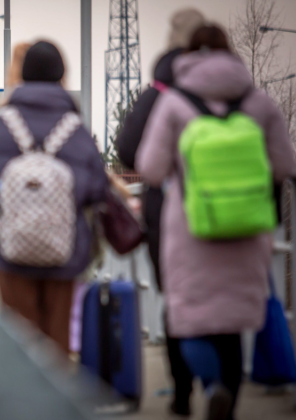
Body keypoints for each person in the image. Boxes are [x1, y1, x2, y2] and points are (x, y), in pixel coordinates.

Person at [136, 24, 295, 420]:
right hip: (247, 227)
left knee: (187, 316)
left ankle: (211, 385)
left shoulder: (174, 103)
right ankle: (228, 395)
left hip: (191, 228)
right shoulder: (257, 102)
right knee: (232, 323)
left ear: (188, 56)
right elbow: (285, 164)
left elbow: (150, 168)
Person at [0, 40, 108, 353]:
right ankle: (59, 398)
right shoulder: (75, 128)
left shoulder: (1, 125)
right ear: (62, 75)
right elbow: (97, 186)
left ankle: (25, 398)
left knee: (20, 341)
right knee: (57, 340)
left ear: (22, 75)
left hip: (12, 249)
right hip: (66, 250)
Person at [115, 8, 205, 416]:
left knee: (175, 297)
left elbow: (129, 149)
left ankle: (184, 390)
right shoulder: (237, 89)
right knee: (233, 296)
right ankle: (225, 382)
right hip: (240, 210)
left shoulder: (161, 93)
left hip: (172, 211)